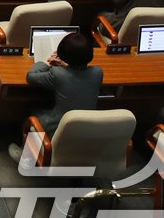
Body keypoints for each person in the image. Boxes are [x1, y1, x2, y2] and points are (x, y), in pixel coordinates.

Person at [8, 32, 103, 160]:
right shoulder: (98, 73)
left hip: (59, 128)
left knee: (31, 111)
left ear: (62, 53)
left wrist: (47, 62)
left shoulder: (57, 74)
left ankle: (26, 156)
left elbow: (31, 76)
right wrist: (65, 65)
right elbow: (77, 74)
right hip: (87, 129)